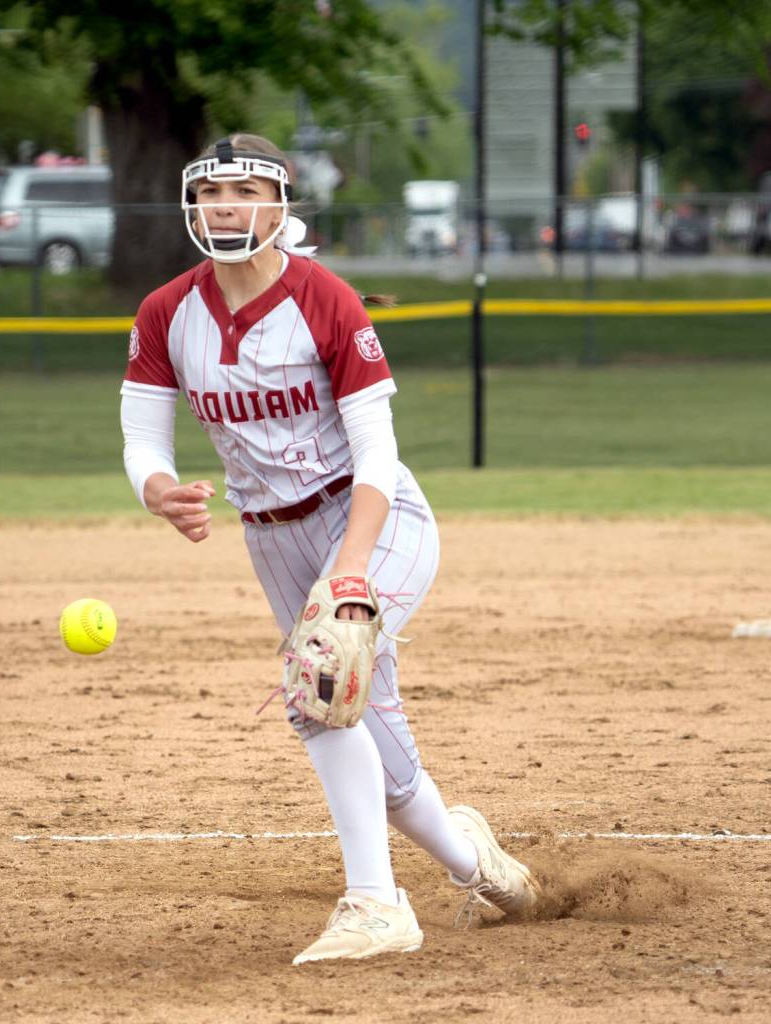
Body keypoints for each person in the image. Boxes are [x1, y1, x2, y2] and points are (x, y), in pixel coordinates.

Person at [119, 133, 540, 964]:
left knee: (322, 682)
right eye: (211, 193)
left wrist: (351, 564)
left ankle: (378, 907)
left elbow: (376, 456)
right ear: (191, 207)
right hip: (271, 538)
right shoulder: (168, 310)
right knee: (365, 740)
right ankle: (477, 863)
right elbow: (143, 435)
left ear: (281, 206)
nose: (226, 205)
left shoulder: (325, 300)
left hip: (371, 519)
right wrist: (157, 489)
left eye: (245, 189)